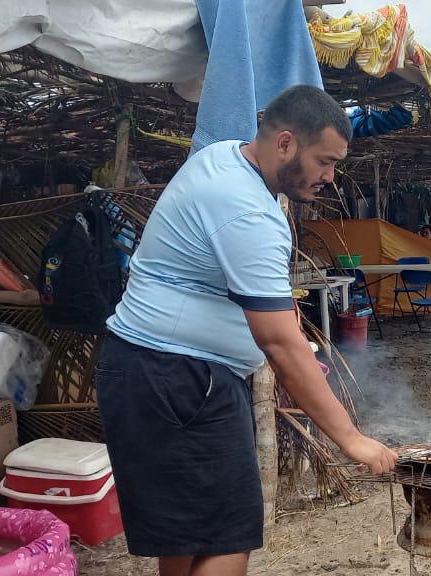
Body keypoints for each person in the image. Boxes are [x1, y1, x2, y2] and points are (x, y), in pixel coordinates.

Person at [98, 85, 397, 576]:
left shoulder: (223, 157)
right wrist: (351, 439)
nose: (331, 176)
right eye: (325, 161)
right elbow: (277, 340)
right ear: (285, 144)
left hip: (148, 371)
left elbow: (248, 304)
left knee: (188, 535)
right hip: (181, 381)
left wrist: (296, 345)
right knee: (229, 534)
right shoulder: (249, 211)